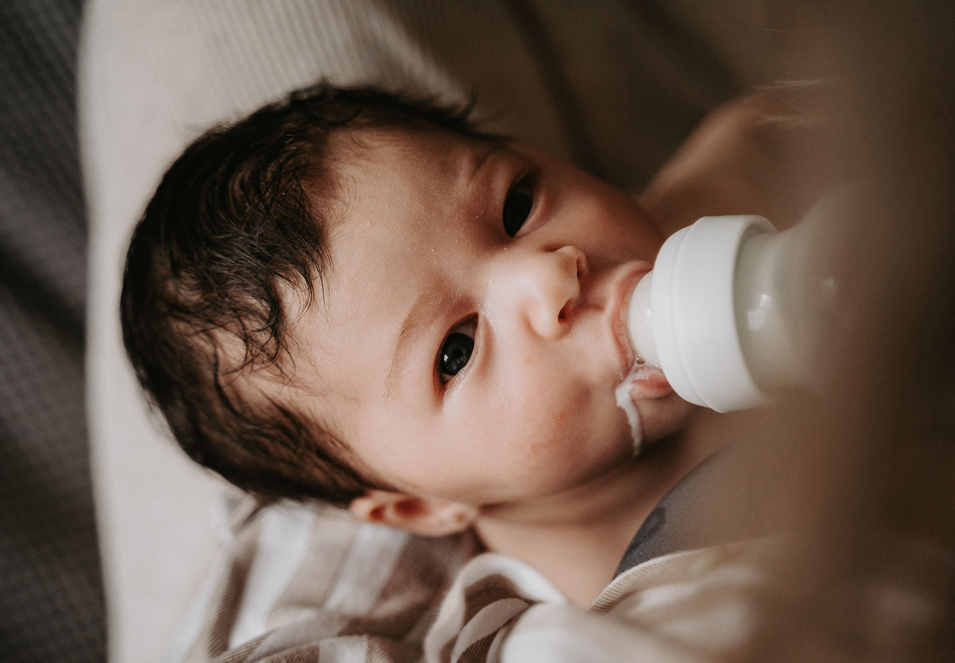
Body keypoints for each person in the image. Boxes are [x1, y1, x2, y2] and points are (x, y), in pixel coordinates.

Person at [121, 82, 821, 605]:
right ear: (422, 506)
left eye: (517, 204)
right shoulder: (573, 610)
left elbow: (799, 120)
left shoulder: (721, 199)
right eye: (455, 351)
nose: (548, 276)